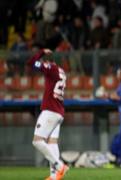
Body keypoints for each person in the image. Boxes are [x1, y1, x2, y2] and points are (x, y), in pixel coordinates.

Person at [27, 48, 68, 180]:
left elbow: (31, 63)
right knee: (52, 142)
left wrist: (41, 51)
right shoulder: (61, 71)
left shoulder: (49, 68)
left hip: (50, 111)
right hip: (59, 112)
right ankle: (54, 176)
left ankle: (59, 166)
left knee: (37, 141)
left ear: (46, 61)